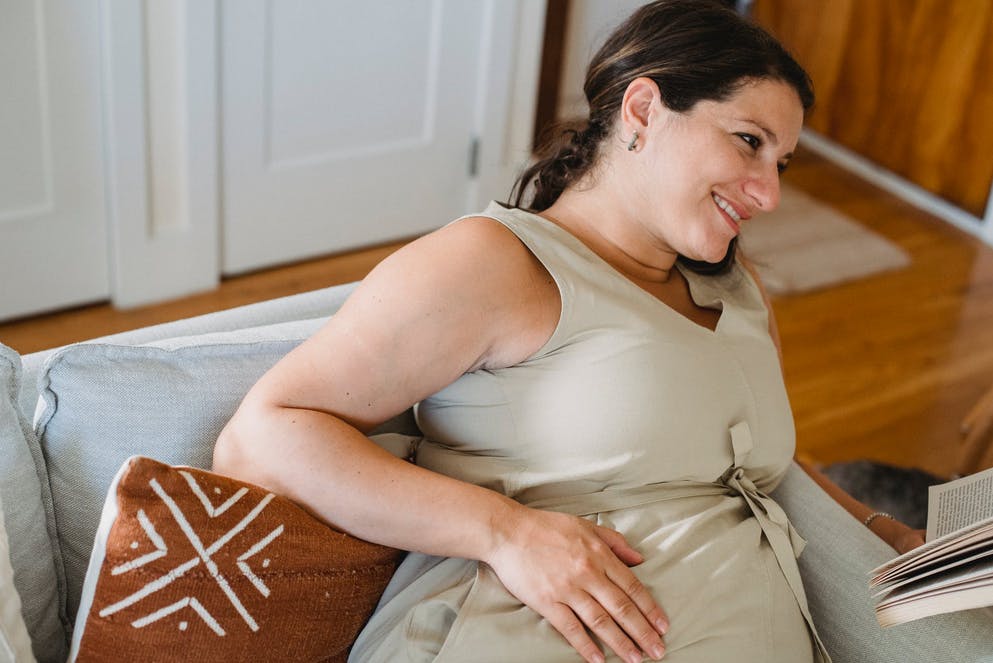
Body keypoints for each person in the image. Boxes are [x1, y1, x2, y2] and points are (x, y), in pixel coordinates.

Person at [213, 2, 926, 661]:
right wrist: (505, 530)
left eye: (781, 163)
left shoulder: (738, 290)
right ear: (642, 109)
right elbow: (264, 435)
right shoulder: (497, 264)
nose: (768, 193)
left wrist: (881, 529)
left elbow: (755, 465)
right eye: (747, 142)